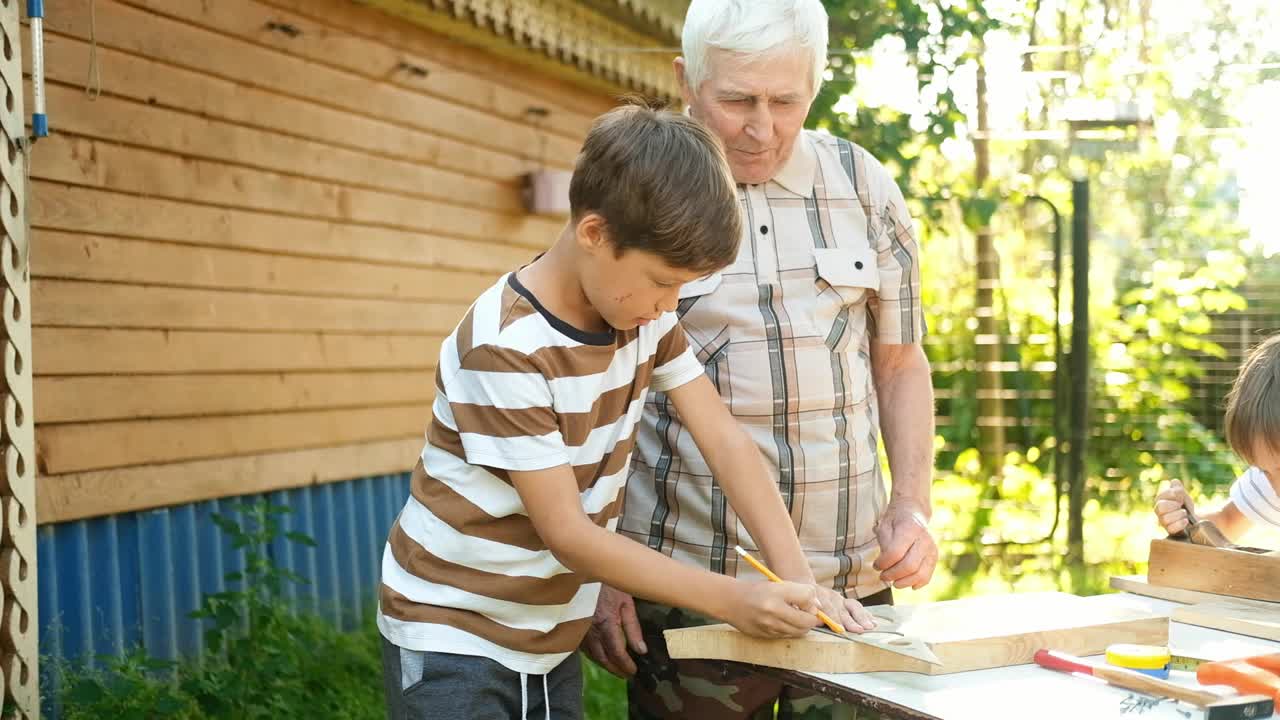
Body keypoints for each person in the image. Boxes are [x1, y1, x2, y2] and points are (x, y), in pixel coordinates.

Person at [376, 103, 875, 720]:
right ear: (593, 234)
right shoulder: (505, 347)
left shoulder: (642, 315)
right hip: (455, 633)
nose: (670, 304)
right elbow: (570, 536)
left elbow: (724, 440)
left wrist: (797, 579)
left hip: (546, 632)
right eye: (663, 281)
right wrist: (734, 601)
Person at [583, 2, 940, 717]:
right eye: (737, 99)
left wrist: (912, 505)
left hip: (851, 590)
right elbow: (588, 387)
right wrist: (599, 564)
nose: (762, 126)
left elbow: (900, 364)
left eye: (787, 102)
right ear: (686, 80)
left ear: (817, 83)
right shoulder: (638, 188)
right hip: (693, 595)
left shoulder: (866, 187)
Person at [1155, 333, 1280, 540]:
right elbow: (1227, 522)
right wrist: (1186, 520)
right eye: (1264, 470)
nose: (1275, 488)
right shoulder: (1269, 481)